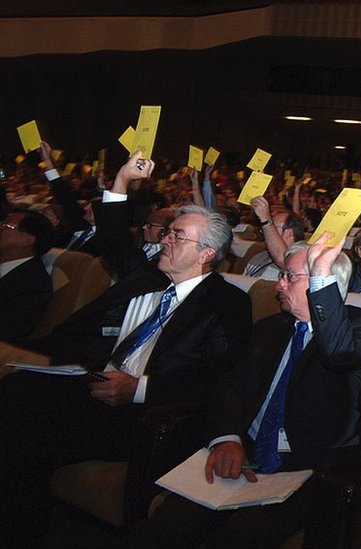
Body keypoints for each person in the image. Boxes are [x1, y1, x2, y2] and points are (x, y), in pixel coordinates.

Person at [0, 153, 253, 546]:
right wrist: (121, 180)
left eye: (177, 236)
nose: (165, 239)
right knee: (15, 392)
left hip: (143, 414)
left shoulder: (227, 304)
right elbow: (114, 237)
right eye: (167, 232)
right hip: (89, 386)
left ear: (206, 254)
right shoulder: (148, 276)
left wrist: (138, 388)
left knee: (25, 434)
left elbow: (216, 377)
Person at [128, 237, 361, 549]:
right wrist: (227, 439)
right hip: (247, 455)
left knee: (238, 537)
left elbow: (339, 356)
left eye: (290, 276)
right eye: (281, 275)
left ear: (324, 282)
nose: (279, 285)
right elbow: (232, 386)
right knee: (168, 523)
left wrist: (320, 276)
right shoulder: (270, 328)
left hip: (311, 469)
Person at [0, 209, 55, 346]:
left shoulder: (33, 285)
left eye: (7, 226)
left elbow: (8, 332)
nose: (1, 228)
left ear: (27, 240)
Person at [244, 196, 304, 280]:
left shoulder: (300, 263)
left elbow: (284, 260)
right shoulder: (259, 256)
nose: (265, 231)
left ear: (288, 234)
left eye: (273, 228)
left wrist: (266, 220)